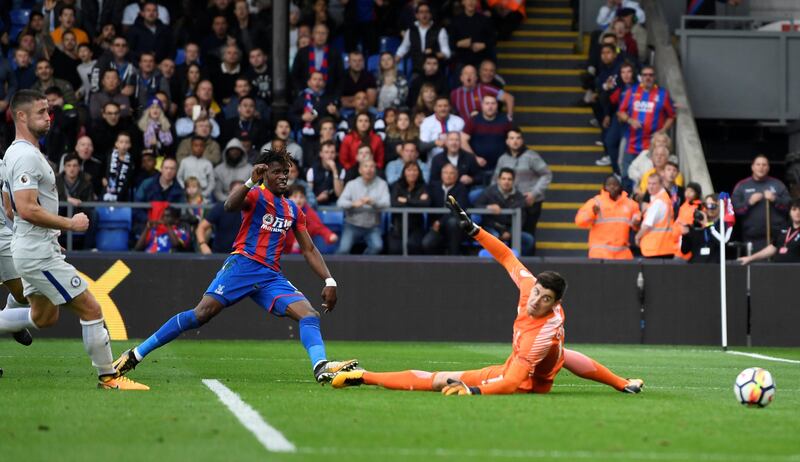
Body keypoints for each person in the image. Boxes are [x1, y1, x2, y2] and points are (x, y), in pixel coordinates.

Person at [332, 195, 644, 395]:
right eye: (536, 292)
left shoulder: (541, 334)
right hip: (520, 365)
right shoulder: (529, 289)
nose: (536, 300)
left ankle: (364, 376)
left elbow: (511, 383)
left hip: (526, 383)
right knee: (440, 378)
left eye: (544, 299)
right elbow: (508, 257)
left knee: (444, 381)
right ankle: (363, 376)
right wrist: (475, 231)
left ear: (555, 305)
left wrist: (474, 392)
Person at [113, 149, 359, 384]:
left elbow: (309, 249)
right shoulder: (255, 194)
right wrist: (250, 182)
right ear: (264, 174)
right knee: (201, 315)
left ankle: (320, 366)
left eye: (286, 171)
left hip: (270, 276)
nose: (283, 176)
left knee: (309, 314)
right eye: (277, 172)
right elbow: (229, 206)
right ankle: (135, 355)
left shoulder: (293, 209)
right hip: (242, 265)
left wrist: (329, 280)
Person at [1, 90, 147, 390]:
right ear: (21, 116)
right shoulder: (26, 155)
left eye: (48, 110)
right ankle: (109, 377)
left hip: (34, 247)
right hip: (37, 254)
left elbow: (10, 207)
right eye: (41, 112)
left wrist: (48, 234)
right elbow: (26, 208)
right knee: (91, 309)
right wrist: (70, 223)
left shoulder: (16, 153)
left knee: (44, 317)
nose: (49, 116)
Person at [617, 66, 675, 179]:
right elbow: (620, 112)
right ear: (641, 77)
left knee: (647, 176)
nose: (648, 77)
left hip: (652, 145)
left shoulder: (663, 94)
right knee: (626, 175)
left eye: (650, 75)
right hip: (632, 143)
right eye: (645, 75)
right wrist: (630, 120)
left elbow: (671, 116)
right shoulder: (632, 92)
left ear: (654, 77)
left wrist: (662, 131)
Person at [493, 128, 552, 238]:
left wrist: (534, 193)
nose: (515, 141)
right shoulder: (503, 159)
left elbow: (547, 174)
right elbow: (495, 180)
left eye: (518, 138)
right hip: (510, 202)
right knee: (512, 235)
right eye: (512, 138)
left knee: (528, 234)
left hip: (530, 202)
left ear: (522, 140)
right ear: (507, 141)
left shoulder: (531, 156)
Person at [732, 155, 792, 252]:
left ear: (768, 167)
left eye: (764, 165)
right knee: (755, 266)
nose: (761, 167)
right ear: (752, 167)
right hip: (752, 237)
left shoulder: (778, 184)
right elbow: (735, 210)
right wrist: (749, 202)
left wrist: (774, 199)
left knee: (777, 267)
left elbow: (789, 206)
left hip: (776, 237)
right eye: (758, 164)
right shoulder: (742, 185)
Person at [575, 176, 641, 259]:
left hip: (622, 254)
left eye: (615, 185)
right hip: (600, 254)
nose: (612, 187)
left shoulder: (630, 204)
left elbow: (637, 220)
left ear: (620, 187)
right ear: (604, 187)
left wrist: (636, 223)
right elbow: (579, 221)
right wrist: (592, 213)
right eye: (609, 185)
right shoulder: (596, 202)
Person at [474, 168, 535, 255]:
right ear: (498, 180)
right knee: (493, 237)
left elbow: (521, 219)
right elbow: (476, 206)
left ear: (513, 181)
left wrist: (509, 233)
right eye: (504, 179)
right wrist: (488, 207)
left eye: (509, 179)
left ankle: (517, 263)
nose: (506, 182)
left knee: (529, 240)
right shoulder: (489, 192)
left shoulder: (519, 197)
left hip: (510, 230)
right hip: (491, 227)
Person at [336, 158, 391, 255]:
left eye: (372, 167)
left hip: (372, 226)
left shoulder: (382, 184)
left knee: (378, 247)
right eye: (366, 166)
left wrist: (373, 202)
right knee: (343, 249)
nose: (369, 169)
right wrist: (353, 204)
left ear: (375, 169)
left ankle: (361, 265)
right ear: (360, 170)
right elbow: (340, 202)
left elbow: (387, 203)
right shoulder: (351, 184)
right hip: (352, 225)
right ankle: (333, 269)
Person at [394, 1, 451, 75]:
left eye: (427, 12)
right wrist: (395, 59)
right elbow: (404, 47)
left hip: (435, 72)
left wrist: (434, 53)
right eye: (421, 12)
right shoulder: (411, 31)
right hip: (417, 71)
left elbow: (447, 53)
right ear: (416, 15)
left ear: (430, 14)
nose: (424, 14)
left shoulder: (440, 30)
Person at [738, 199, 800, 264]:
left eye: (799, 209)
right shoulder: (784, 227)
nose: (797, 213)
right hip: (779, 268)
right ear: (789, 212)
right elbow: (773, 248)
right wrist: (750, 258)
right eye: (794, 209)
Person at [283, 185, 338, 255]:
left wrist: (329, 235)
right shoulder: (282, 210)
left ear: (305, 199)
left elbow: (318, 226)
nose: (298, 200)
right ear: (289, 198)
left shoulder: (308, 212)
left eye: (301, 197)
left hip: (302, 250)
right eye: (295, 196)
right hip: (283, 249)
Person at [196, 181, 244, 254]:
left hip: (242, 255)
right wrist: (203, 244)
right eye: (235, 191)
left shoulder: (251, 208)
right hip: (220, 254)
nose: (238, 195)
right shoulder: (221, 207)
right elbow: (201, 227)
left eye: (241, 192)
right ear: (229, 192)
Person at [635, 173, 675, 258]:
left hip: (656, 248)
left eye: (654, 184)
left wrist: (637, 236)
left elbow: (647, 225)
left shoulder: (658, 202)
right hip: (663, 247)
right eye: (649, 183)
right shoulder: (663, 199)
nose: (650, 186)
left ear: (661, 184)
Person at [679, 194, 723, 264]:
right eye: (706, 205)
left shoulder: (723, 225)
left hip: (714, 266)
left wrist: (707, 224)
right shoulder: (698, 223)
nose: (709, 208)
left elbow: (720, 242)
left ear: (720, 207)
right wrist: (685, 235)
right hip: (696, 266)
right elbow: (684, 250)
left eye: (712, 206)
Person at [102, 132, 136, 202]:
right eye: (121, 142)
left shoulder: (132, 160)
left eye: (126, 142)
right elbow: (101, 170)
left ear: (130, 145)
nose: (124, 145)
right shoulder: (109, 156)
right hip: (107, 194)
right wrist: (102, 179)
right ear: (116, 143)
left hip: (124, 196)